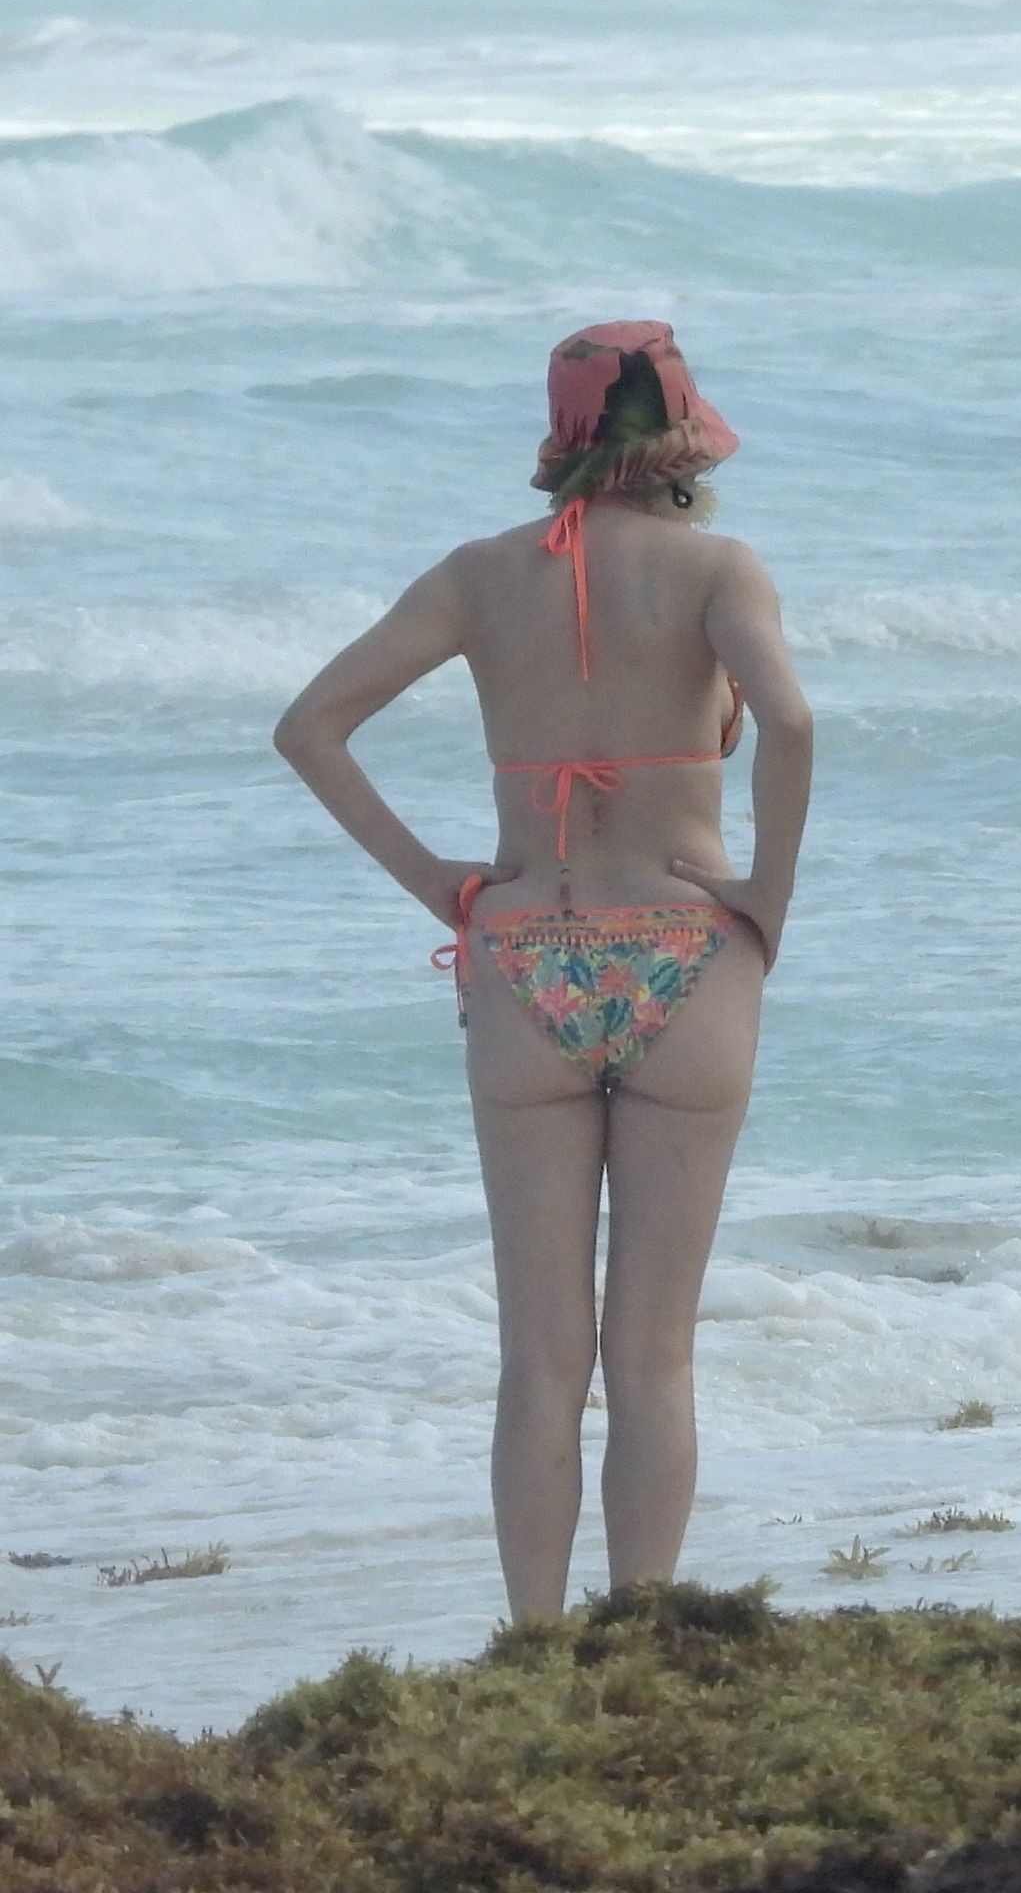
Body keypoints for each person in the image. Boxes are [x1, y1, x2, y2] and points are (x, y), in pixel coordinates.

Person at [273, 320, 813, 1623]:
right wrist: (765, 902)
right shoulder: (716, 569)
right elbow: (791, 723)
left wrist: (440, 884)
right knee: (653, 1357)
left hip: (524, 958)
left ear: (563, 434)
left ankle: (532, 1642)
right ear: (681, 438)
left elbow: (310, 728)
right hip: (687, 955)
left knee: (539, 1363)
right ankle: (636, 1643)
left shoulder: (477, 577)